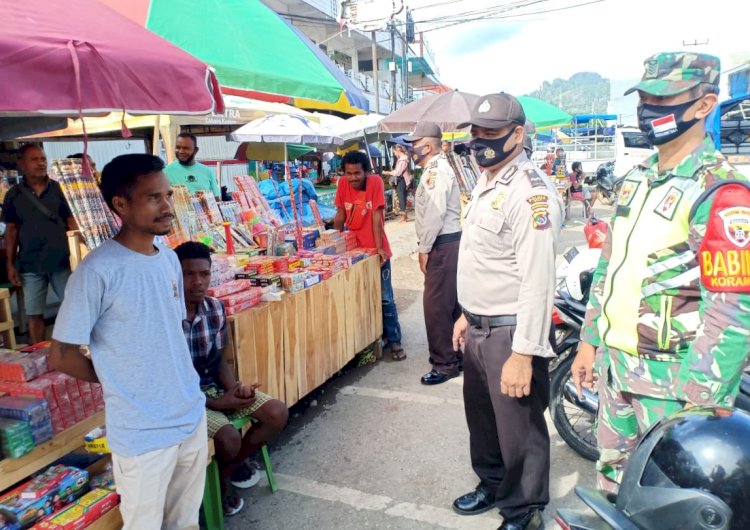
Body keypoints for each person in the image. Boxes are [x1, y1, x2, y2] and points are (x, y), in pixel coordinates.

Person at [571, 51, 750, 494]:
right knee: (615, 490)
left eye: (663, 98)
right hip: (618, 375)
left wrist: (698, 403)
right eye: (645, 98)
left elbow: (732, 310)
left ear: (704, 105)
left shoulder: (720, 190)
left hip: (675, 388)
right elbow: (610, 270)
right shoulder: (639, 178)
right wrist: (589, 342)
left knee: (669, 499)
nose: (649, 110)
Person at [48, 154, 207, 530]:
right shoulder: (97, 271)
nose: (168, 206)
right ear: (121, 204)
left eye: (168, 195)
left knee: (184, 522)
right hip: (142, 431)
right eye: (154, 197)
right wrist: (119, 377)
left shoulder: (169, 260)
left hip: (189, 415)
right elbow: (62, 355)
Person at [452, 93, 562, 530]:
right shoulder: (487, 178)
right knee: (483, 420)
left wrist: (524, 353)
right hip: (479, 326)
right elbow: (484, 258)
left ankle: (523, 511)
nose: (480, 142)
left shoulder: (531, 192)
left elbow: (538, 281)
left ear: (518, 134)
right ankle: (491, 484)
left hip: (511, 333)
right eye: (476, 133)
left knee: (519, 430)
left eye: (491, 134)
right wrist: (466, 312)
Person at [174, 241, 288, 517]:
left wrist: (236, 390)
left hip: (214, 387)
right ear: (174, 277)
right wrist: (216, 403)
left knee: (277, 412)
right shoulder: (165, 317)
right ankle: (223, 484)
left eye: (204, 274)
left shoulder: (214, 309)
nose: (197, 282)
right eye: (188, 274)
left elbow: (218, 359)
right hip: (183, 399)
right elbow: (169, 381)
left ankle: (228, 471)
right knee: (228, 437)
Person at [404, 122, 463, 385]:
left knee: (436, 307)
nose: (410, 150)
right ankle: (455, 354)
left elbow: (435, 213)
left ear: (426, 146)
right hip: (448, 243)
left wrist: (424, 248)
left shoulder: (435, 172)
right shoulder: (435, 168)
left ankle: (445, 363)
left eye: (413, 145)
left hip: (442, 243)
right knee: (449, 305)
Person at [334, 151, 405, 361]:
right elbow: (340, 215)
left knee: (385, 298)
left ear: (366, 172)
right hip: (353, 252)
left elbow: (376, 216)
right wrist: (334, 243)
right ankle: (372, 339)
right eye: (349, 173)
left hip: (376, 250)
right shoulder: (341, 184)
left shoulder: (375, 182)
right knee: (360, 297)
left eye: (357, 173)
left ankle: (394, 340)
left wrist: (378, 247)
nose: (353, 177)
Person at [1, 144, 76, 344]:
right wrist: (10, 263)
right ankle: (39, 355)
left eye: (43, 158)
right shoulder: (13, 195)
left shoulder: (59, 190)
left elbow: (72, 222)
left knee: (73, 308)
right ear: (21, 164)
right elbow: (11, 230)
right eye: (34, 159)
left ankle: (72, 351)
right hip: (30, 263)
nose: (41, 163)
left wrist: (80, 254)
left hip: (62, 261)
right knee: (34, 314)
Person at [164, 132, 221, 199]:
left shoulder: (207, 171)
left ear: (196, 150)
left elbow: (216, 199)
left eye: (185, 148)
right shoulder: (165, 172)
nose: (181, 151)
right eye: (178, 147)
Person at [382, 144, 412, 223]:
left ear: (398, 151)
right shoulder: (403, 159)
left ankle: (403, 217)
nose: (394, 154)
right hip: (403, 180)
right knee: (402, 198)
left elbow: (398, 173)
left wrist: (387, 172)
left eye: (394, 152)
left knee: (401, 198)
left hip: (401, 180)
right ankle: (404, 216)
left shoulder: (403, 160)